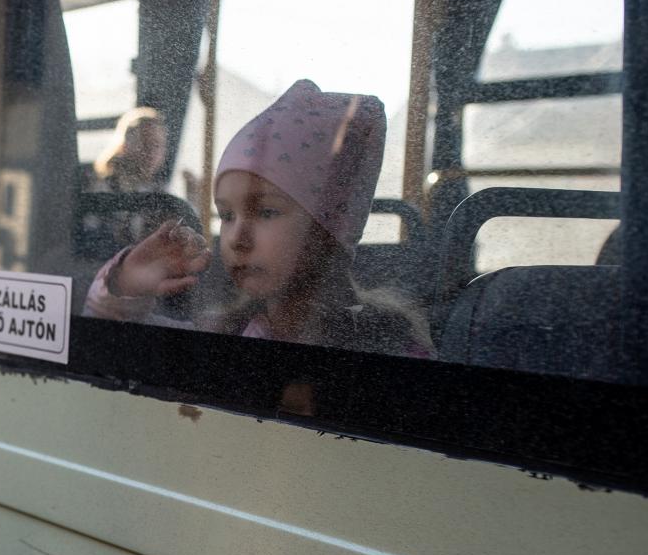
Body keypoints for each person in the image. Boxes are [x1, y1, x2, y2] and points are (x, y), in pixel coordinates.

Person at [84, 80, 432, 358]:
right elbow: (106, 347)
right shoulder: (223, 334)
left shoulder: (392, 352)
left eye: (265, 211)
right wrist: (124, 285)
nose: (236, 238)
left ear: (330, 228)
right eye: (227, 216)